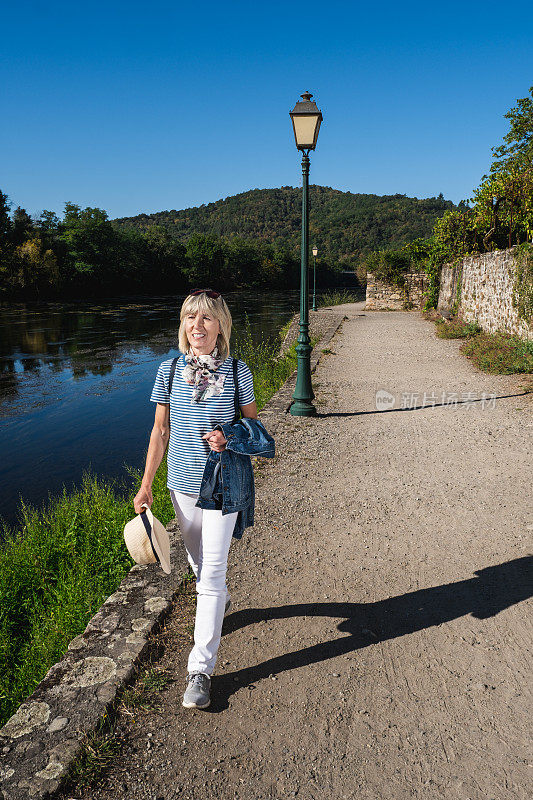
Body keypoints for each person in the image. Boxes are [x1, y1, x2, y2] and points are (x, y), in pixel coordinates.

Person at [133, 288, 273, 710]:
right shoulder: (169, 370)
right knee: (197, 563)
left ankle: (200, 669)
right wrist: (146, 482)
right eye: (191, 318)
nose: (198, 326)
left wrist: (228, 437)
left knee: (211, 573)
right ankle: (218, 601)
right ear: (183, 326)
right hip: (180, 484)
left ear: (221, 327)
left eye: (207, 319)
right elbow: (160, 432)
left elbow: (257, 432)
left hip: (223, 485)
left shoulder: (238, 372)